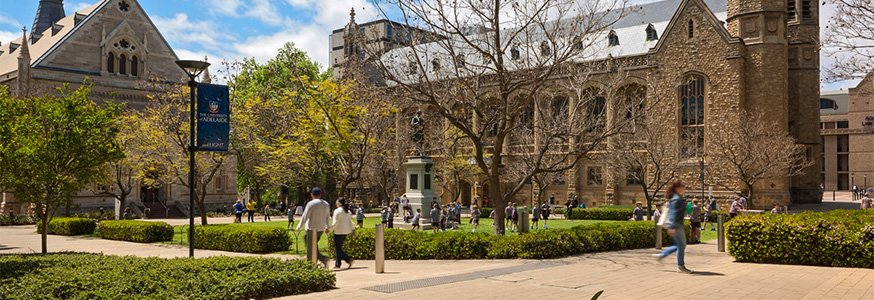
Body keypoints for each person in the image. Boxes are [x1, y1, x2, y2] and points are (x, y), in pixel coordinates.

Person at [656, 181, 693, 274]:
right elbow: (673, 213)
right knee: (681, 245)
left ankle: (662, 255)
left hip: (677, 224)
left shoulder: (677, 198)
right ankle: (680, 266)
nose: (684, 189)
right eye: (682, 187)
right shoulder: (677, 199)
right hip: (676, 225)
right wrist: (672, 226)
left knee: (680, 245)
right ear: (677, 188)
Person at [296, 187, 331, 268]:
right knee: (314, 246)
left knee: (310, 247)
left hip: (311, 229)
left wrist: (299, 226)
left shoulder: (311, 204)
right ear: (320, 194)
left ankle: (322, 259)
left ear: (312, 194)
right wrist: (327, 226)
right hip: (321, 228)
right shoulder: (326, 204)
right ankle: (316, 261)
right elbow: (327, 216)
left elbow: (305, 216)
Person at [330, 197, 355, 269]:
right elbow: (350, 222)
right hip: (345, 232)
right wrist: (353, 230)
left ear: (339, 203)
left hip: (338, 232)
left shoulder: (337, 211)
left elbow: (335, 223)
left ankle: (348, 259)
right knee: (339, 248)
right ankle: (338, 264)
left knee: (338, 250)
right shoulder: (347, 211)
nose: (336, 203)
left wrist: (329, 229)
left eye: (337, 201)